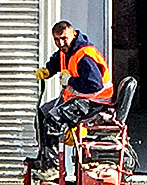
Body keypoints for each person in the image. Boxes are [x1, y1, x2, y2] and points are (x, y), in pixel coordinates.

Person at [36, 20, 116, 164]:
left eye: (64, 38)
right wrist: (48, 70)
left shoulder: (84, 55)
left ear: (73, 34)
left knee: (52, 120)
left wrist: (70, 81)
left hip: (94, 103)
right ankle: (44, 158)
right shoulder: (66, 51)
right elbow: (57, 60)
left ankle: (52, 166)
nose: (60, 43)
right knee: (42, 114)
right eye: (56, 39)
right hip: (77, 99)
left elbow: (94, 85)